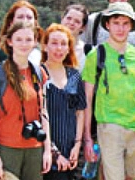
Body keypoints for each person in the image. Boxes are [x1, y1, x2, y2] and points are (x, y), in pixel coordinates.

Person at [82, 2, 135, 180]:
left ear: (131, 26)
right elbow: (87, 98)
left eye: (125, 23)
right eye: (116, 23)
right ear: (107, 25)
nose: (120, 28)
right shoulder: (96, 55)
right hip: (109, 126)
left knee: (133, 176)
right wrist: (87, 138)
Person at [0, 21, 53, 180]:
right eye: (19, 39)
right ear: (10, 42)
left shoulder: (39, 73)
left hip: (34, 148)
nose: (24, 44)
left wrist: (47, 150)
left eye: (28, 40)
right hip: (7, 148)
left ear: (35, 42)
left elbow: (44, 113)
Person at [40, 24, 87, 180]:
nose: (59, 48)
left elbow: (80, 112)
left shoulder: (74, 75)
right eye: (54, 43)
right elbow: (37, 115)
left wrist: (77, 145)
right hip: (46, 150)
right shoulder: (38, 74)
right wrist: (54, 152)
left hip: (71, 149)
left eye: (63, 44)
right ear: (45, 46)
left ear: (69, 49)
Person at [0, 0, 43, 65]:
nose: (25, 20)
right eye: (20, 17)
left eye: (29, 17)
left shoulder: (43, 53)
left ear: (35, 23)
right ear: (11, 22)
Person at [60, 4, 89, 70]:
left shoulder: (87, 52)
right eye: (68, 18)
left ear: (83, 27)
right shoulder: (48, 46)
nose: (71, 23)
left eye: (77, 21)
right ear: (62, 19)